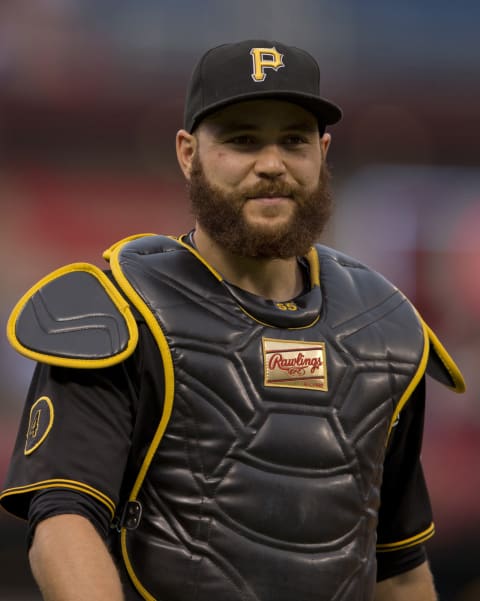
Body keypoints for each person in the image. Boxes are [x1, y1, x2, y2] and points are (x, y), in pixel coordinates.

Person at [0, 39, 466, 601]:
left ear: (322, 151)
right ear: (188, 152)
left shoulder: (385, 327)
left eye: (293, 140)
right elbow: (63, 523)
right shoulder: (119, 311)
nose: (271, 164)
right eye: (242, 139)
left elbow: (400, 566)